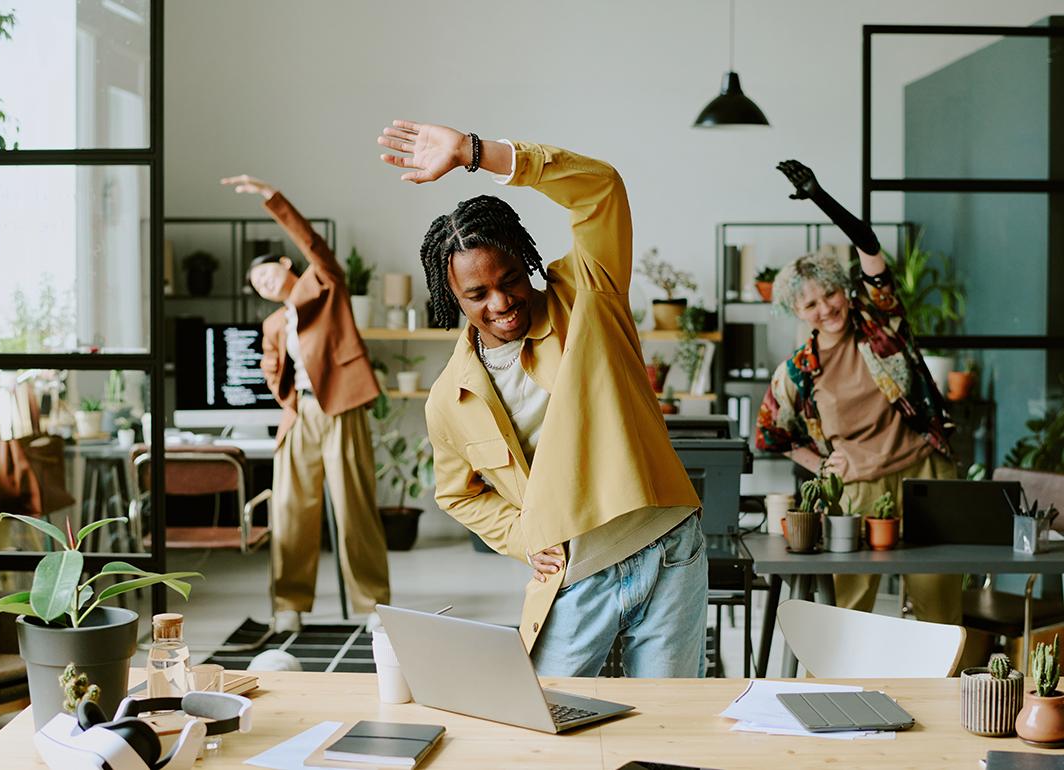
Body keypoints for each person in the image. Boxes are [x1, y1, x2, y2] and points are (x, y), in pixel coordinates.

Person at [377, 120, 706, 677]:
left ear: (526, 263)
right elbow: (459, 496)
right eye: (477, 294)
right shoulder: (448, 401)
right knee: (548, 726)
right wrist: (526, 537)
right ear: (451, 297)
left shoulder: (589, 294)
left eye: (510, 279)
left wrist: (476, 152)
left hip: (667, 548)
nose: (502, 302)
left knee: (666, 731)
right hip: (574, 574)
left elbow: (601, 189)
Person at [756, 159, 960, 623]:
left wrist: (819, 195)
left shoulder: (881, 325)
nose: (825, 308)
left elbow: (867, 242)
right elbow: (771, 434)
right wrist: (822, 464)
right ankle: (832, 693)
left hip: (924, 475)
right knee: (848, 611)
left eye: (830, 295)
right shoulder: (798, 371)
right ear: (797, 312)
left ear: (844, 292)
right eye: (810, 303)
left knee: (938, 606)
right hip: (856, 490)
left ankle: (944, 693)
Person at [219, 175, 390, 632]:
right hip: (300, 416)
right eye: (256, 284)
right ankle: (288, 605)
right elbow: (271, 367)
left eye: (267, 272)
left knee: (354, 508)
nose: (264, 283)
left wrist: (272, 199)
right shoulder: (274, 323)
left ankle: (373, 606)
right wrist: (287, 397)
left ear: (284, 262)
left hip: (341, 406)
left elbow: (314, 243)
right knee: (291, 510)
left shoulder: (324, 284)